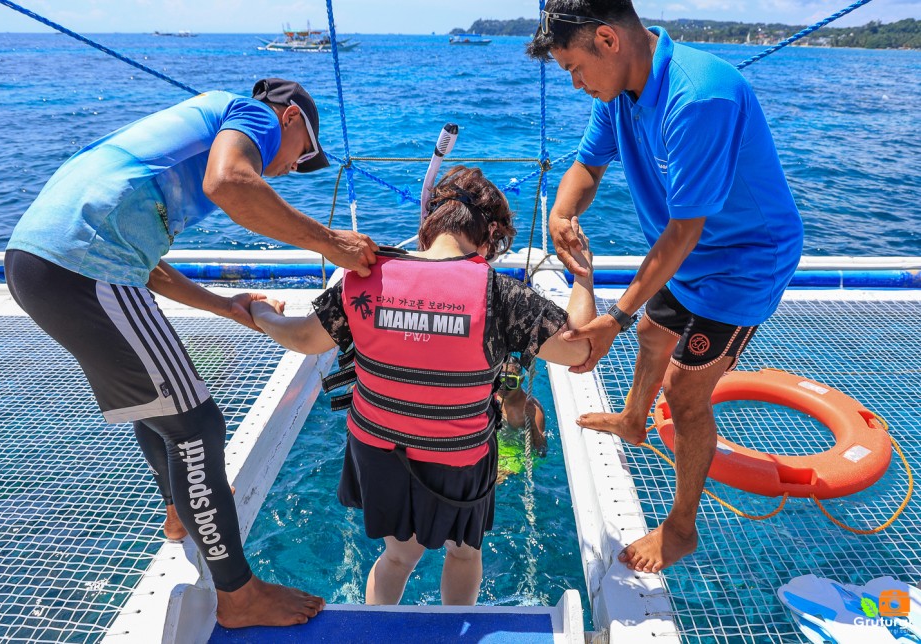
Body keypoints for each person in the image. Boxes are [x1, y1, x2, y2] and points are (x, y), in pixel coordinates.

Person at [4, 77, 379, 628]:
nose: (291, 170)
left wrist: (224, 306)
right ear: (291, 118)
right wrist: (332, 243)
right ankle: (239, 595)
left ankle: (180, 511)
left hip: (49, 261)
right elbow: (231, 181)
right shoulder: (249, 115)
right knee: (198, 425)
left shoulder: (177, 158)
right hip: (83, 267)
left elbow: (149, 266)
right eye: (304, 157)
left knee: (160, 407)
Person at [527, 2, 804, 574]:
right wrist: (562, 211)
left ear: (608, 39)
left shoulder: (699, 98)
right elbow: (586, 166)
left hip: (741, 265)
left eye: (574, 69)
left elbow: (684, 231)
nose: (576, 85)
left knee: (683, 393)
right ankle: (632, 420)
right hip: (683, 259)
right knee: (654, 333)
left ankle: (680, 530)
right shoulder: (618, 93)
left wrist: (614, 317)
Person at [250, 166, 596, 606]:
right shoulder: (501, 295)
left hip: (377, 454)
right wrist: (582, 276)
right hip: (458, 460)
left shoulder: (364, 278)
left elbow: (299, 337)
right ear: (488, 238)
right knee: (465, 554)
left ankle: (376, 632)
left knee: (396, 556)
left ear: (429, 225)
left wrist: (260, 312)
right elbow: (581, 348)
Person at [494, 356, 548, 483]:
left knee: (494, 481)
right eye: (500, 380)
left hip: (516, 454)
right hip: (495, 445)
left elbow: (542, 450)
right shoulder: (494, 395)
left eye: (510, 381)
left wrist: (532, 423)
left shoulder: (531, 408)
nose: (503, 387)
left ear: (521, 380)